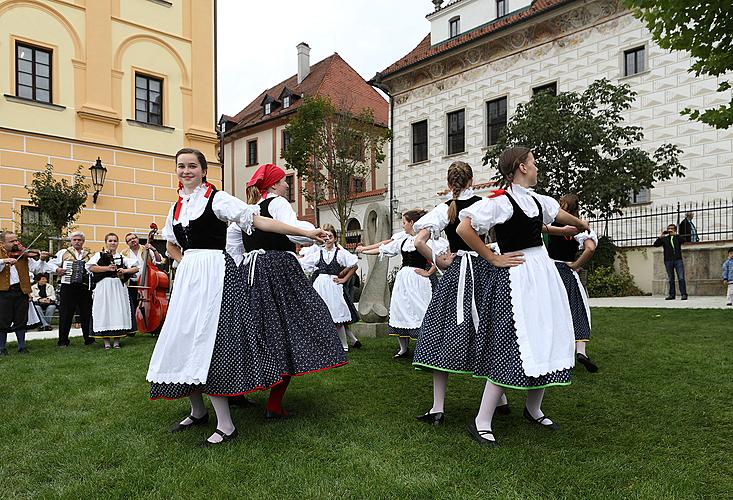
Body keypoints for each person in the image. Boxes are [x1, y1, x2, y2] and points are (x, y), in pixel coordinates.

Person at [146, 150, 328, 447]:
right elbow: (170, 246)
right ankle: (197, 411)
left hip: (215, 275)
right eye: (181, 166)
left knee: (211, 343)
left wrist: (300, 231)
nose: (186, 171)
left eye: (192, 166)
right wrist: (187, 263)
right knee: (182, 338)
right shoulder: (177, 207)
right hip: (191, 278)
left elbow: (258, 221)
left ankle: (227, 425)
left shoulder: (217, 199)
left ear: (204, 170)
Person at [456, 146, 589, 447]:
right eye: (533, 162)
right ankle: (481, 420)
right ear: (521, 167)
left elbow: (558, 212)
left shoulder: (536, 200)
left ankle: (533, 408)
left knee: (547, 334)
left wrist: (581, 224)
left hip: (542, 274)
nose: (537, 166)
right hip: (516, 278)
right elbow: (465, 228)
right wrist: (492, 257)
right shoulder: (500, 202)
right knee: (508, 342)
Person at [225, 163, 347, 421]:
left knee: (252, 330)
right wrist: (310, 233)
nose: (287, 185)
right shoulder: (278, 203)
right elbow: (296, 233)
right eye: (283, 181)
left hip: (250, 273)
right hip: (279, 270)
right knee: (292, 328)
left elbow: (232, 250)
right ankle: (274, 404)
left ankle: (236, 393)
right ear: (272, 186)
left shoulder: (245, 213)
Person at [409, 161, 507, 425]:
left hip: (456, 273)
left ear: (449, 183)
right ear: (472, 180)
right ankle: (500, 398)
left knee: (441, 332)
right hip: (484, 269)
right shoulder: (483, 204)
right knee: (490, 327)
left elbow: (418, 240)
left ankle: (438, 408)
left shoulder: (444, 209)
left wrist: (438, 261)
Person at [359, 209, 446, 358]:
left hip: (419, 280)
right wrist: (364, 251)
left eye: (404, 222)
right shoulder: (404, 240)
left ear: (412, 223)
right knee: (401, 310)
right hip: (403, 281)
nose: (403, 225)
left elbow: (441, 256)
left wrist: (429, 272)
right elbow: (384, 248)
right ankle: (403, 349)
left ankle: (425, 349)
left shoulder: (426, 240)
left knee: (421, 310)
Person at [545, 194, 599, 373]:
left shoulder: (549, 223)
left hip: (548, 271)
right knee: (577, 309)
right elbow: (590, 248)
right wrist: (576, 265)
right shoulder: (579, 227)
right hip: (566, 271)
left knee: (551, 312)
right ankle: (581, 351)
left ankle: (552, 353)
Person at [300, 224, 361, 352]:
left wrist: (344, 279)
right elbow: (305, 263)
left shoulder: (339, 253)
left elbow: (354, 265)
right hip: (320, 286)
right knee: (320, 315)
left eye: (330, 236)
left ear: (335, 238)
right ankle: (321, 344)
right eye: (325, 236)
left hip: (333, 286)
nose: (327, 239)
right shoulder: (319, 253)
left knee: (337, 314)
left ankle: (344, 345)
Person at [0, 231, 53, 355]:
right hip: (3, 291)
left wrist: (41, 260)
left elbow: (37, 269)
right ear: (2, 243)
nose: (16, 243)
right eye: (11, 241)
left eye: (16, 240)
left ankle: (22, 347)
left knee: (21, 320)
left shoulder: (22, 254)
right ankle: (2, 348)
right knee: (2, 321)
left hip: (21, 291)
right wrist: (4, 261)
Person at [87, 233, 139, 349]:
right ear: (106, 242)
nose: (113, 243)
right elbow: (90, 267)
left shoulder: (121, 257)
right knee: (104, 311)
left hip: (117, 287)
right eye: (110, 241)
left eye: (115, 241)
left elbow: (136, 267)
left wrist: (124, 271)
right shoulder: (99, 255)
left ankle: (116, 341)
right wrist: (107, 268)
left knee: (118, 311)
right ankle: (106, 342)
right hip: (104, 286)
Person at [49, 231, 94, 346]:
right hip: (68, 286)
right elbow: (51, 264)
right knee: (65, 314)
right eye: (74, 240)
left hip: (84, 287)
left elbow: (94, 267)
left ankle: (89, 339)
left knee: (86, 313)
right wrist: (57, 270)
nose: (77, 242)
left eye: (79, 240)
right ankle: (63, 340)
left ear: (83, 241)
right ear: (71, 241)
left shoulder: (89, 254)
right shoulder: (64, 252)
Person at [123, 232, 163, 332]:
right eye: (129, 240)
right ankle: (134, 327)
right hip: (132, 282)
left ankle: (151, 324)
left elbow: (159, 261)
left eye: (134, 238)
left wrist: (153, 249)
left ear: (137, 239)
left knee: (148, 305)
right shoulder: (124, 253)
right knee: (132, 305)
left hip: (147, 281)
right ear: (127, 243)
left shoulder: (146, 249)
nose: (133, 240)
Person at [653, 224, 687, 300]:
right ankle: (672, 295)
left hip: (678, 260)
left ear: (675, 230)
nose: (670, 230)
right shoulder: (665, 239)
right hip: (668, 260)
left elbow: (684, 240)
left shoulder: (677, 238)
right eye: (669, 229)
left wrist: (676, 235)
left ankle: (684, 294)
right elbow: (655, 245)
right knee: (670, 278)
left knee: (681, 278)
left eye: (672, 229)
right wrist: (660, 236)